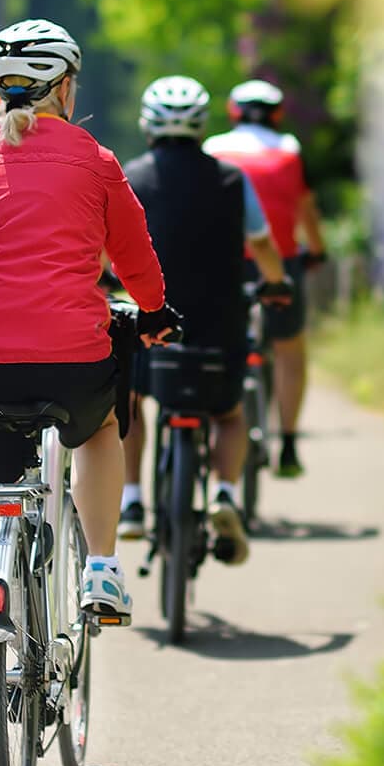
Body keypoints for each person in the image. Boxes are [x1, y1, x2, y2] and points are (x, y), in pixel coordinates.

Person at [0, 19, 178, 757]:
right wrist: (155, 312)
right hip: (71, 357)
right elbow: (134, 252)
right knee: (100, 428)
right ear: (65, 87)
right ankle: (100, 566)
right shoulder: (95, 160)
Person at [117, 76, 291, 564]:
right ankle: (225, 493)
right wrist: (277, 283)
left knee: (129, 401)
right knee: (229, 412)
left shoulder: (131, 177)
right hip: (219, 320)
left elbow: (109, 246)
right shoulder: (232, 179)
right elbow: (261, 244)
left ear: (147, 125)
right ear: (200, 127)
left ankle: (132, 501)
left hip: (151, 320)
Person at [204, 79, 328, 478]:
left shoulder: (214, 148)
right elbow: (305, 208)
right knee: (290, 350)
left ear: (234, 112)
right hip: (278, 260)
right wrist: (317, 249)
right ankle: (288, 443)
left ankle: (207, 432)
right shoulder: (290, 150)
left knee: (215, 342)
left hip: (224, 261)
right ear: (277, 114)